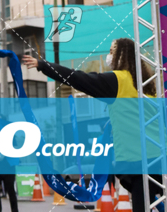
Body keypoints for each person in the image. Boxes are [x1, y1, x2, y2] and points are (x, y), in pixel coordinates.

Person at [23, 38, 162, 212]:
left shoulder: (117, 81)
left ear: (122, 56)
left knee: (143, 206)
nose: (108, 55)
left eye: (112, 51)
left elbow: (78, 78)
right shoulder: (148, 85)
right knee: (154, 202)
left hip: (137, 158)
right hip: (157, 157)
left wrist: (43, 66)